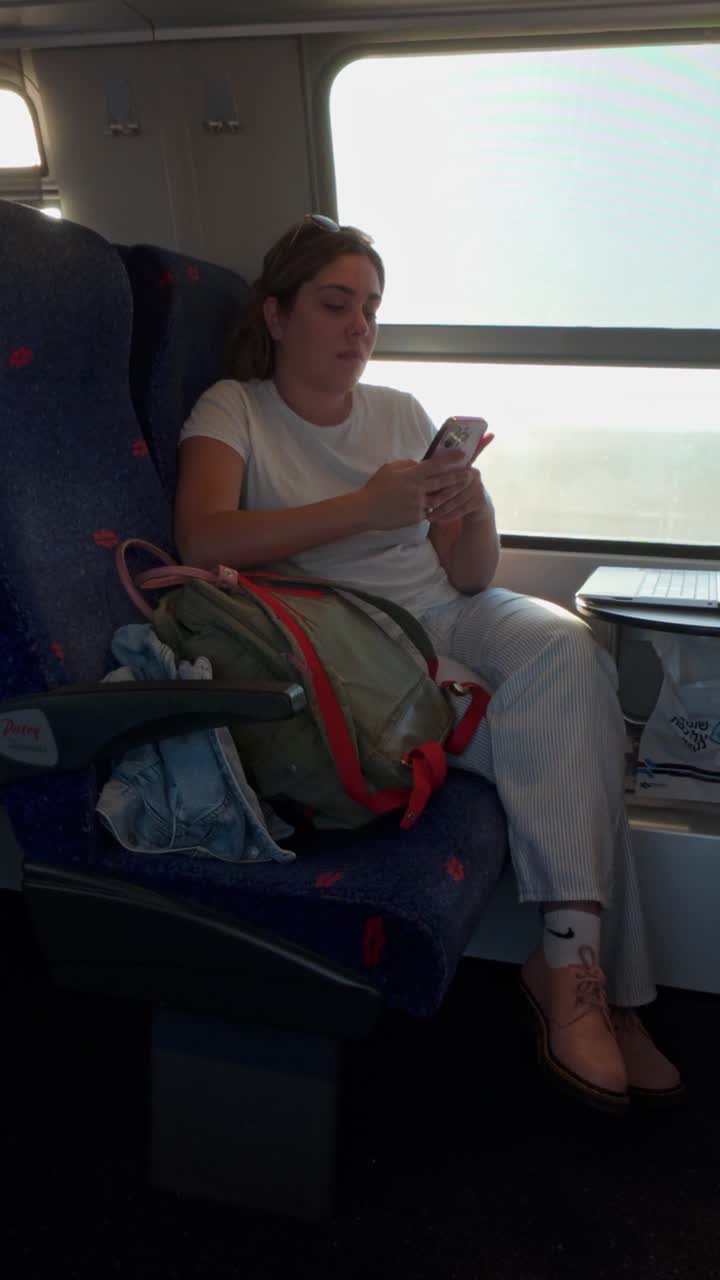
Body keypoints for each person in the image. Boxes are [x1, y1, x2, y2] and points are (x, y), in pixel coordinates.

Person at [174, 213, 683, 1113]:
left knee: (570, 649)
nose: (359, 328)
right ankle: (594, 988)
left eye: (370, 308)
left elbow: (468, 574)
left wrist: (473, 506)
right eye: (336, 305)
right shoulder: (235, 407)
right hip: (353, 634)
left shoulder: (400, 411)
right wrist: (364, 508)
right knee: (575, 737)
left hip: (447, 609)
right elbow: (205, 534)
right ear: (279, 314)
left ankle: (570, 972)